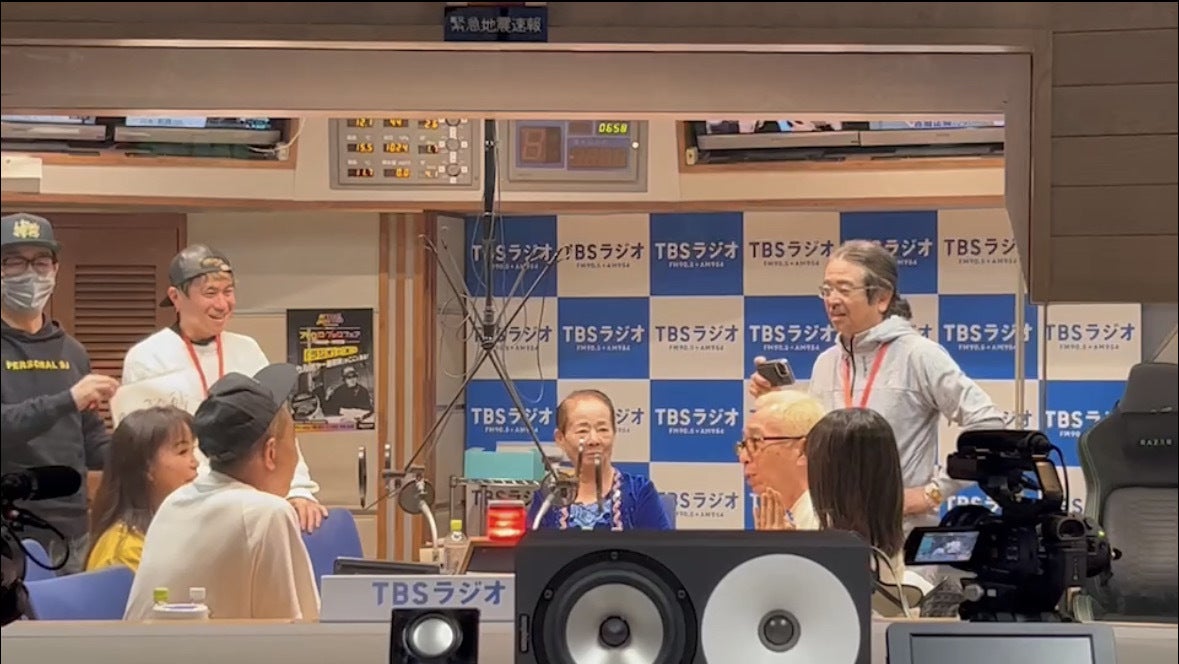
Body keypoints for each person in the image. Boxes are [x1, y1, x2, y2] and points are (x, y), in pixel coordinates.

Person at [749, 239, 1007, 528]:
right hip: (832, 532)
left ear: (882, 297)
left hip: (899, 533)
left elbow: (989, 425)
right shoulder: (826, 362)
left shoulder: (918, 355)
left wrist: (934, 492)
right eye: (827, 289)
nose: (832, 300)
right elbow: (813, 445)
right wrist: (776, 402)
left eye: (844, 289)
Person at [120, 244, 328, 532]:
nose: (222, 304)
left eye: (228, 291)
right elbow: (144, 450)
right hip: (183, 510)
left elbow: (278, 428)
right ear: (176, 297)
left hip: (251, 502)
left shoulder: (247, 349)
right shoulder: (147, 357)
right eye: (210, 293)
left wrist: (298, 488)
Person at [124, 363, 320, 621]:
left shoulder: (174, 502)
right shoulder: (267, 514)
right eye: (292, 442)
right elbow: (298, 632)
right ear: (271, 453)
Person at [0, 212, 118, 575]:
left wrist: (142, 447)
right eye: (15, 262)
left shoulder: (72, 351)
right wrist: (67, 400)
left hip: (72, 532)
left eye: (41, 262)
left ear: (55, 270)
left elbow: (91, 440)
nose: (30, 274)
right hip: (9, 534)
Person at [527, 389, 672, 531]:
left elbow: (661, 546)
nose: (594, 440)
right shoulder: (548, 496)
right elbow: (530, 546)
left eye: (603, 430)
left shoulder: (639, 492)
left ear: (614, 433)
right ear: (560, 438)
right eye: (582, 431)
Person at [86, 406, 198, 572]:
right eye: (182, 452)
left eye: (192, 451)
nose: (195, 463)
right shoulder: (125, 551)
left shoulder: (175, 527)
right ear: (147, 467)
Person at [739, 390, 826, 531]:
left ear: (803, 450)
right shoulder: (802, 519)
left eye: (755, 441)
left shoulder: (827, 522)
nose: (743, 457)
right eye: (744, 444)